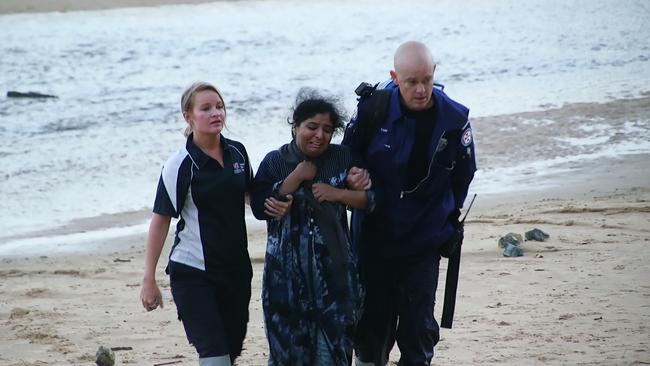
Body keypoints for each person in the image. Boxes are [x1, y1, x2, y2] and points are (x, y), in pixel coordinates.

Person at [342, 41, 476, 365]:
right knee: (371, 332)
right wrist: (353, 175)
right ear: (394, 76)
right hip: (375, 239)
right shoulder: (372, 109)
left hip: (424, 241)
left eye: (426, 80)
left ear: (434, 74)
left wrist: (445, 220)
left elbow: (464, 174)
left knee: (419, 334)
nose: (420, 89)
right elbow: (345, 156)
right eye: (411, 81)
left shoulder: (455, 119)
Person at [139, 81, 289, 366]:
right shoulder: (179, 165)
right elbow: (160, 221)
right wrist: (149, 279)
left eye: (219, 107)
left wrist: (276, 202)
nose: (215, 113)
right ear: (189, 116)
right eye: (206, 108)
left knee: (229, 354)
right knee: (215, 356)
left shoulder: (237, 152)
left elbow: (248, 195)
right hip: (193, 272)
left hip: (235, 272)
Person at [251, 89, 373, 365]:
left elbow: (372, 200)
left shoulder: (344, 158)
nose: (319, 135)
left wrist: (338, 193)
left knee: (332, 358)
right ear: (295, 126)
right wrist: (294, 178)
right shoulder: (275, 161)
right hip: (285, 287)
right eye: (312, 127)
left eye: (327, 129)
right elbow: (260, 206)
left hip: (337, 285)